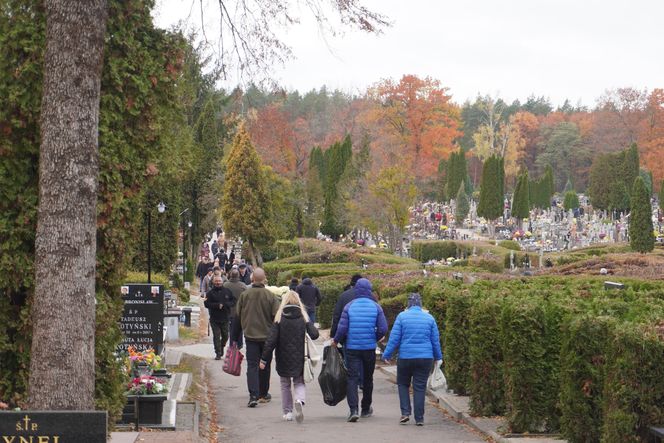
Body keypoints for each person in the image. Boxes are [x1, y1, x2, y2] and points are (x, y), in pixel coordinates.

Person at [332, 278, 388, 422]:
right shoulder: (376, 307)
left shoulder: (349, 306)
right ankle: (365, 408)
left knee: (352, 378)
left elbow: (342, 327)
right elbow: (383, 328)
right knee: (368, 379)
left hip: (352, 347)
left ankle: (353, 410)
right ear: (369, 290)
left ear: (356, 289)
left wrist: (336, 340)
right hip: (369, 348)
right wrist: (374, 338)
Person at [382, 293, 442, 426]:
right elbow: (435, 341)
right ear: (420, 304)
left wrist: (387, 354)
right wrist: (438, 357)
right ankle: (419, 418)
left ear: (408, 304)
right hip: (425, 357)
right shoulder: (429, 318)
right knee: (419, 387)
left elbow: (394, 339)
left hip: (406, 357)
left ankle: (405, 413)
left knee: (403, 384)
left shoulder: (402, 317)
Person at [259, 291, 319, 423]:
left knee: (285, 384)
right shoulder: (303, 316)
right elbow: (315, 334)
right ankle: (299, 399)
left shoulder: (280, 317)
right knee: (299, 382)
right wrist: (308, 323)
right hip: (300, 357)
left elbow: (271, 341)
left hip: (283, 357)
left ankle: (288, 412)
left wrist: (264, 359)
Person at [232, 268, 280, 407]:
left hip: (250, 336)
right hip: (267, 337)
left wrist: (235, 338)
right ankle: (263, 393)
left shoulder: (245, 295)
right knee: (265, 364)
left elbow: (237, 317)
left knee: (252, 365)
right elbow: (276, 318)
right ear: (264, 279)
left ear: (252, 279)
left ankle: (253, 395)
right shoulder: (270, 296)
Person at [204, 275, 237, 360]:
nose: (218, 283)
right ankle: (218, 353)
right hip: (214, 319)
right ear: (213, 282)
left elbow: (233, 301)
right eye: (216, 281)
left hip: (225, 318)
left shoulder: (227, 291)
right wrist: (216, 305)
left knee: (226, 336)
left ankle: (222, 346)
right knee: (216, 336)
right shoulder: (210, 293)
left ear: (222, 282)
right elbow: (206, 304)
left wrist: (227, 304)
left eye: (219, 281)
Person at [330, 274, 363, 339]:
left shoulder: (343, 296)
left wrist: (333, 334)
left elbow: (337, 316)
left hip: (347, 336)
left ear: (351, 284)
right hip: (368, 340)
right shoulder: (371, 297)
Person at [224, 269, 247, 349]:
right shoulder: (243, 286)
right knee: (239, 329)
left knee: (231, 329)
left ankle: (231, 345)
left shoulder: (225, 285)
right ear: (238, 276)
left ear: (230, 275)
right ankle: (239, 344)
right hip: (240, 311)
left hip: (228, 311)